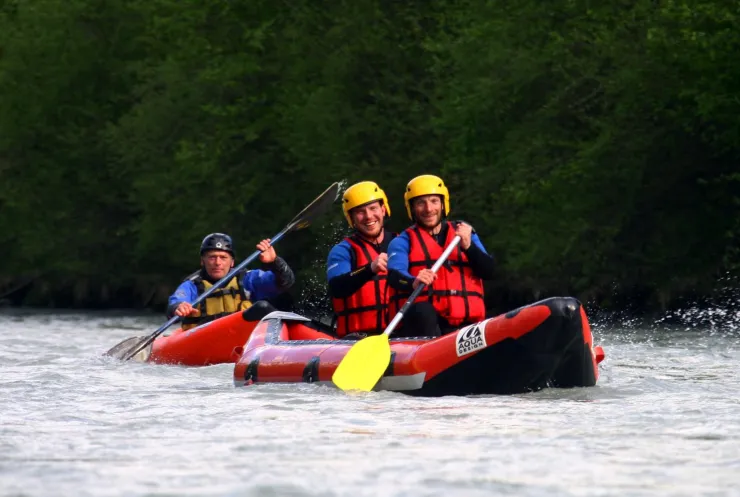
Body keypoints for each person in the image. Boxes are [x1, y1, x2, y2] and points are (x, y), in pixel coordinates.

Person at [387, 174, 495, 337]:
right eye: (421, 203)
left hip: (466, 328)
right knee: (423, 311)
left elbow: (489, 271)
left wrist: (469, 247)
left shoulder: (465, 234)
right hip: (426, 327)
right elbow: (395, 276)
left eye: (434, 201)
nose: (429, 209)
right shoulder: (402, 241)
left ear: (443, 204)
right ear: (412, 208)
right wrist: (413, 281)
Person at [168, 233, 295, 330]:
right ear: (202, 261)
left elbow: (286, 282)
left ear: (232, 262)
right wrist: (179, 307)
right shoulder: (192, 285)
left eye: (223, 257)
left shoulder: (248, 279)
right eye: (212, 257)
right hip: (204, 340)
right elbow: (175, 303)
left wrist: (275, 261)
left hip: (242, 336)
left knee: (262, 307)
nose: (217, 263)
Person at [326, 181, 397, 338]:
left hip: (402, 335)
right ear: (351, 218)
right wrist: (369, 269)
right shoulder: (343, 251)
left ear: (383, 209)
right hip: (358, 338)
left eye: (373, 208)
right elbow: (337, 287)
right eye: (360, 212)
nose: (368, 216)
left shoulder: (402, 244)